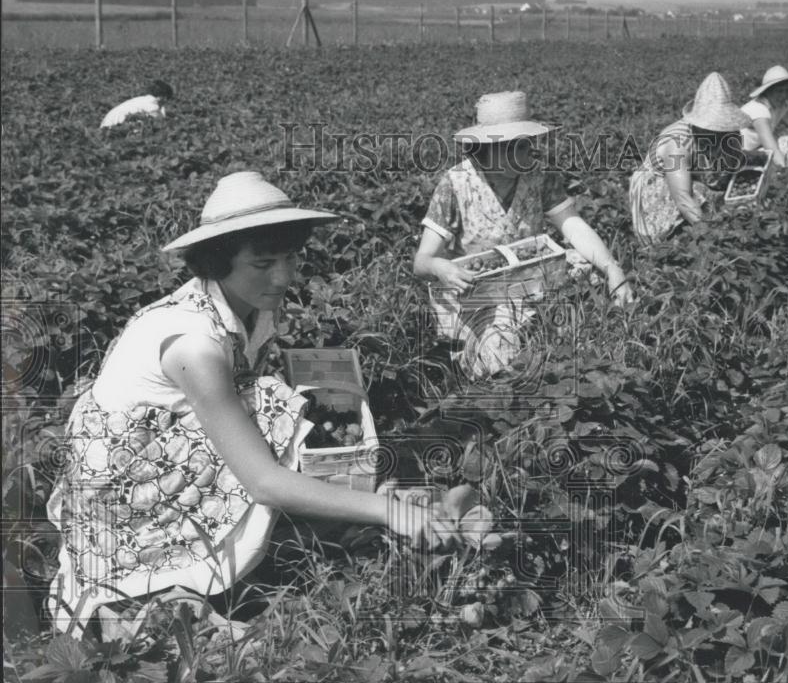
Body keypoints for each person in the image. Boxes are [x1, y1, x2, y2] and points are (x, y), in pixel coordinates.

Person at [47, 172, 458, 636]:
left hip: (159, 461)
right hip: (120, 500)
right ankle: (148, 591)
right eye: (263, 263)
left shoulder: (245, 305)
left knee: (268, 401)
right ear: (219, 261)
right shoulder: (193, 346)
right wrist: (386, 510)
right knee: (267, 405)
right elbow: (262, 480)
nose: (283, 276)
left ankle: (256, 542)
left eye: (290, 258)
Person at [413, 91, 634, 379]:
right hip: (479, 297)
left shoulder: (538, 175)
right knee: (501, 360)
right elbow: (421, 262)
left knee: (587, 271)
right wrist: (440, 266)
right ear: (486, 149)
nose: (527, 154)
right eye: (515, 147)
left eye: (527, 145)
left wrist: (612, 268)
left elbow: (572, 225)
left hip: (531, 283)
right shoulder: (456, 184)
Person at [630, 72, 750, 246]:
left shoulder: (726, 135)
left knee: (709, 197)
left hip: (690, 182)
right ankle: (667, 245)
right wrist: (712, 238)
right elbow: (683, 198)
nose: (721, 131)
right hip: (658, 190)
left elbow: (734, 161)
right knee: (695, 200)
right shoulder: (677, 144)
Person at [740, 65, 788, 168]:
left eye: (786, 91)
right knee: (780, 155)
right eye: (779, 91)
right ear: (768, 91)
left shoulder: (779, 106)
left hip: (755, 149)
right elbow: (772, 149)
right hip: (738, 155)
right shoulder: (759, 110)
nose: (783, 95)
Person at [100, 80, 173, 128]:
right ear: (164, 97)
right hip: (112, 128)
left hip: (107, 124)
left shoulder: (143, 99)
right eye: (167, 99)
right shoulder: (152, 105)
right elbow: (157, 123)